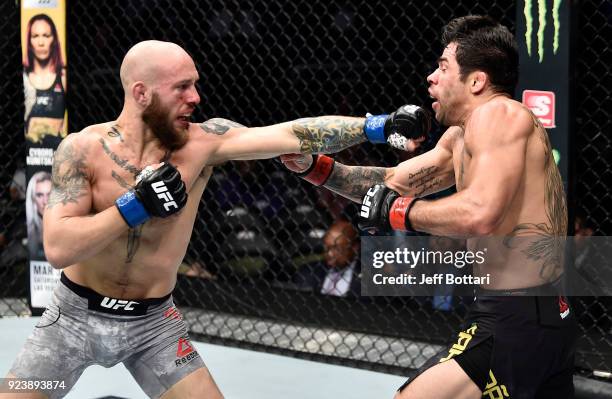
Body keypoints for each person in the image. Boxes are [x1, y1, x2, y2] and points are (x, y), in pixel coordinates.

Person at [2, 40, 429, 399]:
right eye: (182, 87)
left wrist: (376, 125)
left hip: (154, 327)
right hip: (73, 320)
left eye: (195, 85)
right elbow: (59, 246)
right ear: (141, 93)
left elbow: (293, 133)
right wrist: (136, 206)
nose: (195, 98)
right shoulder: (82, 150)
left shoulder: (204, 142)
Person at [282, 15, 576, 399]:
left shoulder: (498, 114)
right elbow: (390, 183)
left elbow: (480, 213)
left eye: (442, 67)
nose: (431, 78)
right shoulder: (461, 136)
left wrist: (400, 212)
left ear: (476, 80)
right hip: (526, 311)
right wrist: (316, 167)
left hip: (518, 314)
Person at [23, 14, 67, 147]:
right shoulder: (24, 78)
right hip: (30, 153)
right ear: (29, 41)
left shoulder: (63, 76)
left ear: (53, 39)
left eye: (46, 36)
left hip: (58, 150)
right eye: (35, 36)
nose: (41, 43)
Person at [293, 219, 361, 297]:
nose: (329, 253)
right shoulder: (306, 272)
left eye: (337, 248)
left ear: (355, 247)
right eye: (327, 247)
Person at [25, 171, 52, 260]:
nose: (45, 201)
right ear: (32, 198)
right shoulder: (23, 231)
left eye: (49, 194)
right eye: (39, 195)